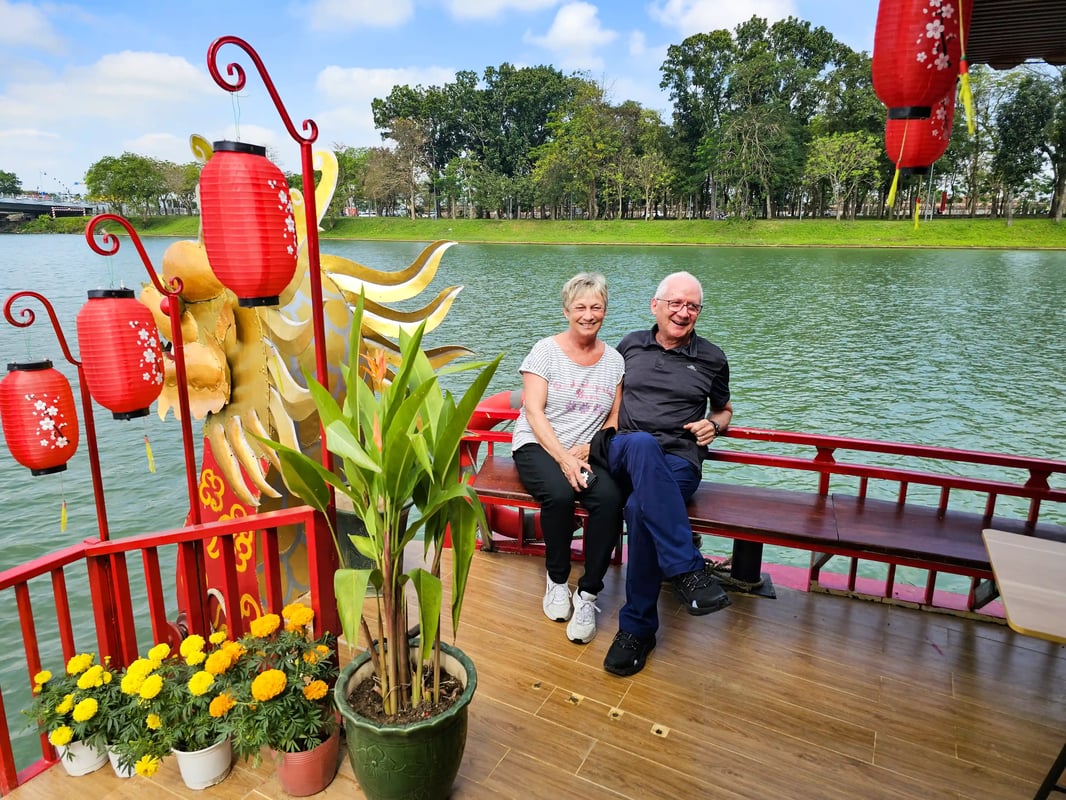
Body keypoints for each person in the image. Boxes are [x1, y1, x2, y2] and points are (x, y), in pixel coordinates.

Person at [602, 271, 734, 677]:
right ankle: (687, 570)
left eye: (692, 306)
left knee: (642, 509)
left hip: (679, 459)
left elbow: (725, 408)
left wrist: (716, 424)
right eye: (675, 303)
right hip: (627, 449)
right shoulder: (629, 345)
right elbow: (610, 395)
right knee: (641, 444)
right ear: (655, 306)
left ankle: (637, 630)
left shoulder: (712, 357)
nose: (683, 312)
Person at [511, 273, 625, 644]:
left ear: (605, 311)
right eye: (580, 307)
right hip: (539, 445)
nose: (588, 315)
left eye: (596, 307)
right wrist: (563, 458)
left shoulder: (615, 362)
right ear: (566, 311)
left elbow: (613, 419)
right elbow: (534, 412)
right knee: (559, 494)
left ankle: (588, 593)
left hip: (585, 452)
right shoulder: (545, 351)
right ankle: (557, 581)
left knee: (609, 500)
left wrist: (589, 450)